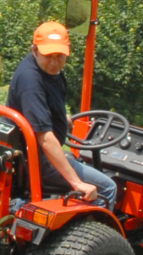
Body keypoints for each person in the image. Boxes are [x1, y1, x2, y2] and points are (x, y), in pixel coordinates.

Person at [6, 21, 117, 208]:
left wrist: (59, 116)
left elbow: (43, 105)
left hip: (35, 155)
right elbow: (45, 138)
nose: (54, 63)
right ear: (34, 50)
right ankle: (93, 237)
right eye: (49, 56)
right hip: (39, 161)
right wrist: (77, 183)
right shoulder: (30, 80)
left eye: (60, 56)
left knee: (76, 161)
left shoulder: (49, 71)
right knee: (108, 187)